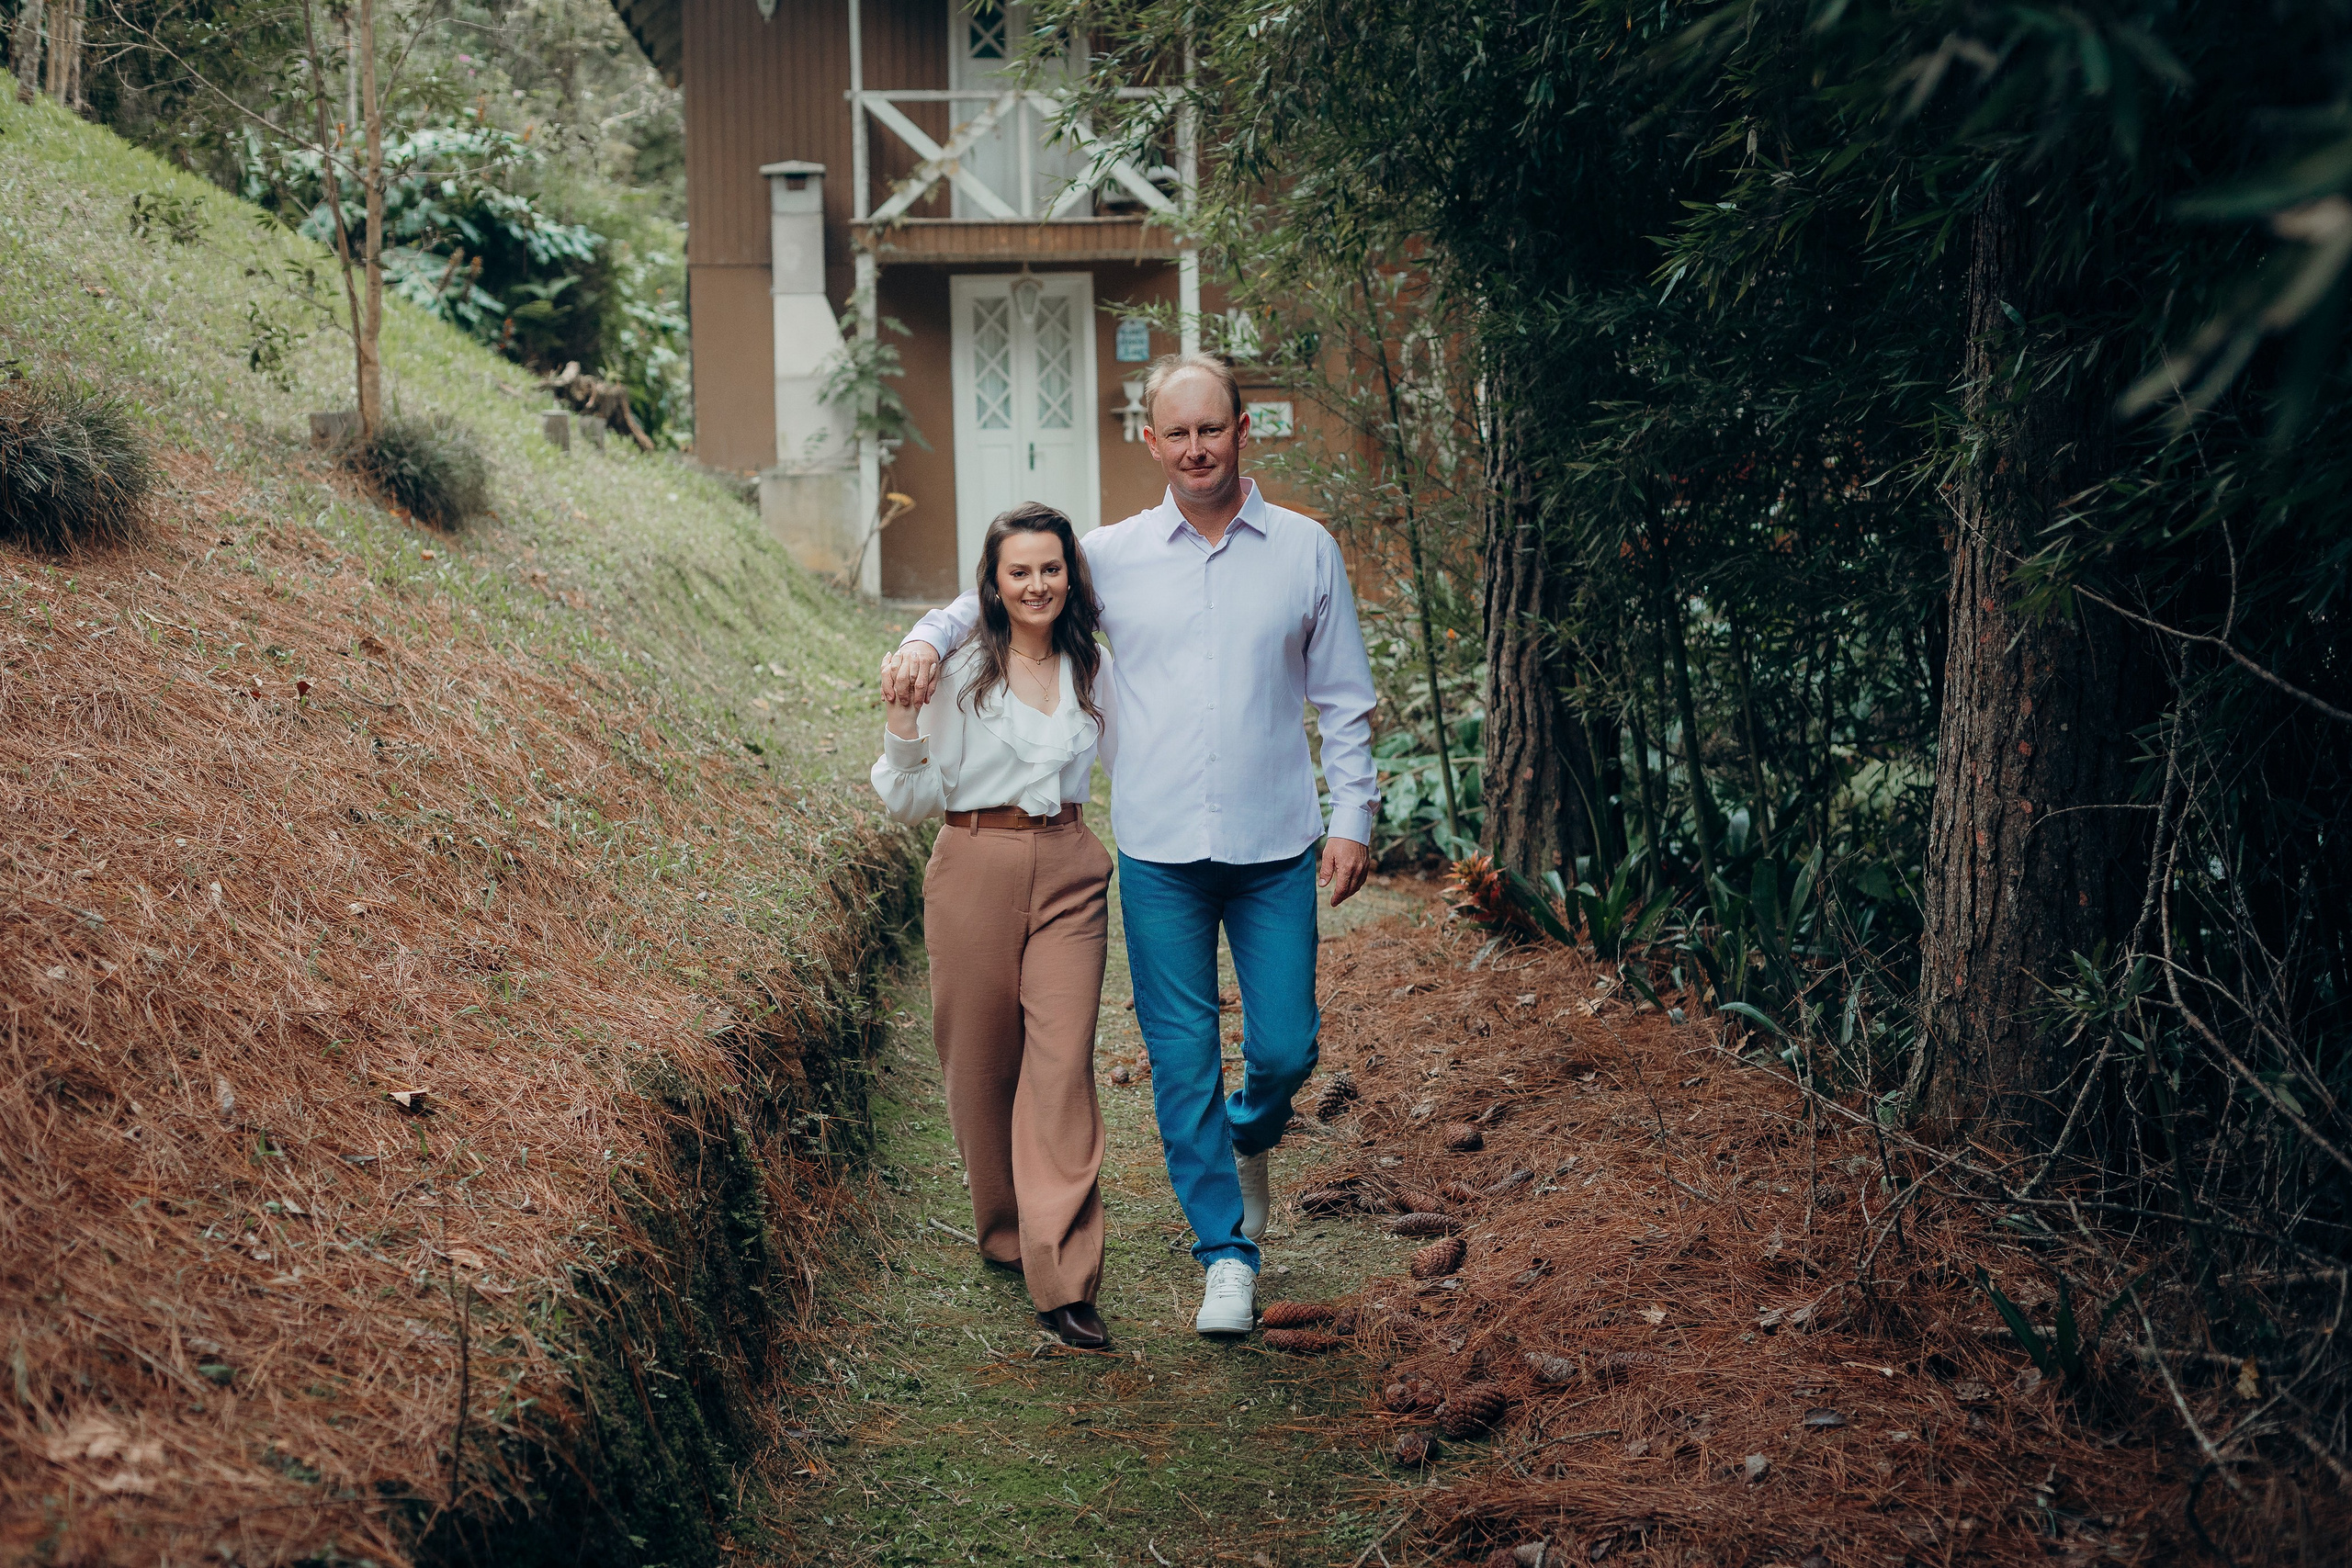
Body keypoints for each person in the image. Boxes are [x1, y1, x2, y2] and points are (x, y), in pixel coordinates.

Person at [883, 352, 1378, 1337]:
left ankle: (1250, 1135)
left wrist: (1352, 816)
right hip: (1156, 852)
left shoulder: (1305, 551)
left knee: (1284, 1048)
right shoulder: (1104, 556)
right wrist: (926, 642)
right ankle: (1224, 1256)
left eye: (1212, 428)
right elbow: (997, 592)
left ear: (1245, 432)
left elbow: (1345, 699)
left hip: (1276, 843)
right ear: (1149, 442)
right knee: (1179, 1058)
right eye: (1176, 432)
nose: (1196, 448)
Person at [871, 502, 1118, 1352]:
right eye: (1020, 571)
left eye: (1051, 568)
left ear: (1070, 575)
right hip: (972, 860)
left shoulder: (1095, 664)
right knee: (980, 1066)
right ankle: (1007, 1230)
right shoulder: (960, 662)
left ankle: (1065, 1276)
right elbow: (909, 801)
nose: (1037, 584)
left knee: (1061, 1064)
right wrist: (902, 721)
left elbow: (1138, 758)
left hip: (1071, 869)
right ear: (995, 580)